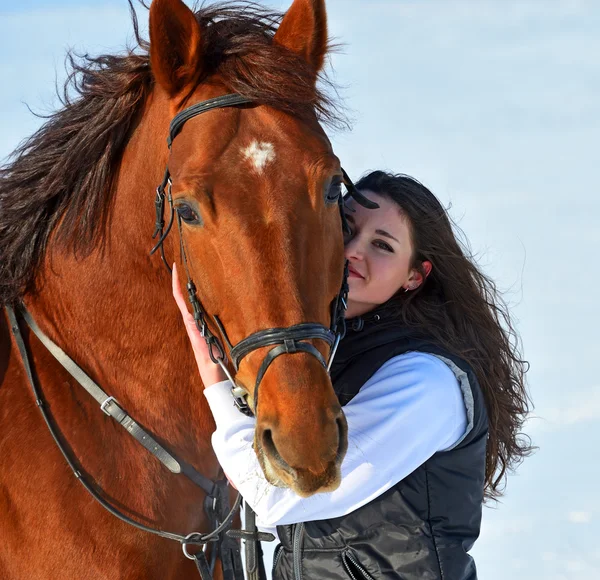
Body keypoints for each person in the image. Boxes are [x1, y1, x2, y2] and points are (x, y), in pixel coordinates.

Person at [172, 170, 532, 580]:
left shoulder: (427, 381)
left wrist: (214, 379)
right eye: (345, 227)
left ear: (415, 275)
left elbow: (281, 495)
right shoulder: (322, 361)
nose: (352, 250)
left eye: (382, 244)